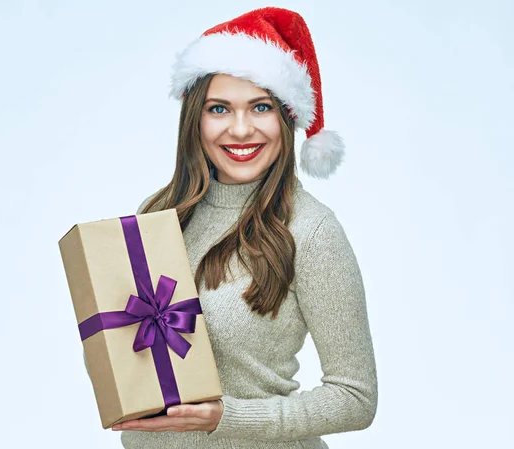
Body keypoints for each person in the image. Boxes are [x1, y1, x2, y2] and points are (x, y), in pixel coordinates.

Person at [111, 7, 378, 448]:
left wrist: (227, 417)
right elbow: (124, 347)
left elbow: (356, 398)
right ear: (196, 118)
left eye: (260, 107)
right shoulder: (157, 214)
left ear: (286, 118)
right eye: (220, 108)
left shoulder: (311, 232)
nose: (240, 129)